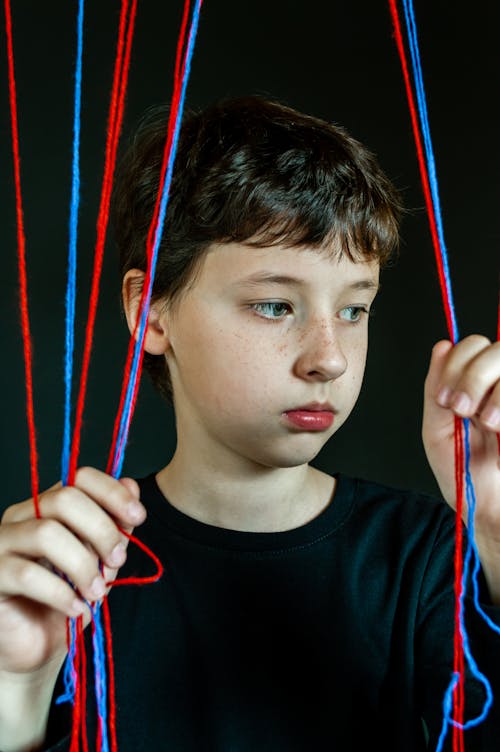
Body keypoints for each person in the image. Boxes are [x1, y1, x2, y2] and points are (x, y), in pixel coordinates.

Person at [0, 95, 499, 752]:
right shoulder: (62, 568)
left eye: (355, 309)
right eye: (273, 305)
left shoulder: (436, 558)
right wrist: (18, 688)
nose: (327, 357)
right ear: (150, 312)